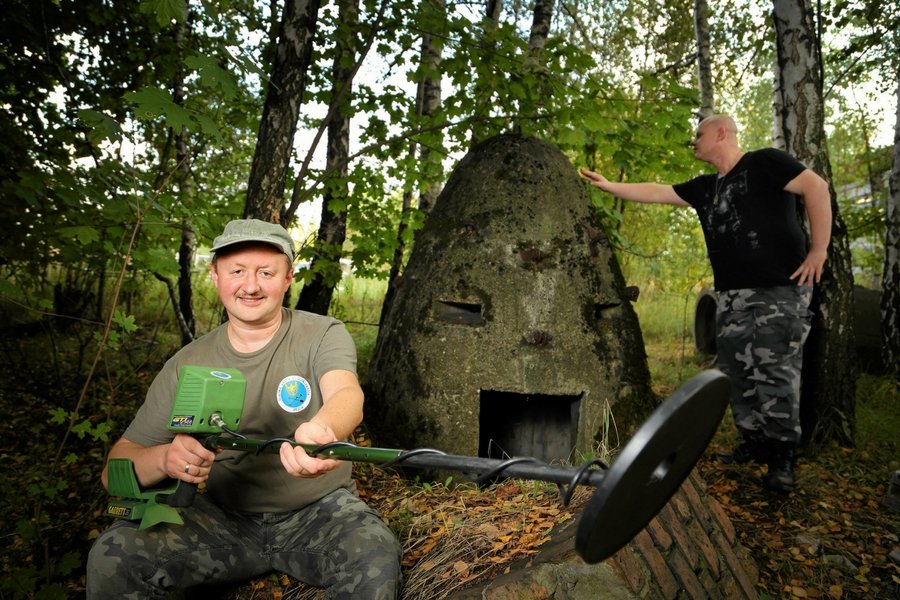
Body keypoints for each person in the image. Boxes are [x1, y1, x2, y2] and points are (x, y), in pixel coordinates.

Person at [87, 219, 402, 598]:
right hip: (221, 519)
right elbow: (115, 469)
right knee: (112, 557)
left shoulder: (321, 333)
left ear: (287, 278)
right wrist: (167, 459)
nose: (251, 286)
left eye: (266, 273)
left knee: (375, 555)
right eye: (237, 271)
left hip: (320, 511)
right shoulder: (188, 362)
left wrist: (323, 429)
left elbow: (346, 395)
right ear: (216, 275)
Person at [580, 114, 832, 493]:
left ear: (719, 133)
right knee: (734, 370)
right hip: (730, 295)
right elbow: (657, 191)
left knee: (775, 370)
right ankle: (754, 443)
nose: (693, 142)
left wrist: (819, 250)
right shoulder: (705, 188)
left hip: (779, 291)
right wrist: (611, 186)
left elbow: (817, 187)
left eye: (698, 135)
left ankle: (782, 457)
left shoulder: (765, 163)